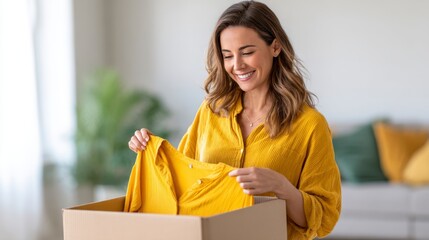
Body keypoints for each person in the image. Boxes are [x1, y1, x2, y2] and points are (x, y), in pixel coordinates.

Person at [128, 1, 341, 239]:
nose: (237, 65)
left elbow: (324, 217)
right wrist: (150, 148)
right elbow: (182, 185)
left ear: (276, 47)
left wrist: (282, 188)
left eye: (247, 52)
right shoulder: (211, 111)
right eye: (227, 55)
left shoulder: (310, 125)